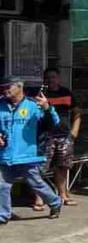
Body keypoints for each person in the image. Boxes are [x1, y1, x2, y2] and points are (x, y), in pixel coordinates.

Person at [0, 77, 62, 223]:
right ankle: (3, 215)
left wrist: (47, 108)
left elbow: (54, 124)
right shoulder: (0, 105)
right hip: (5, 155)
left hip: (28, 155)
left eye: (8, 87)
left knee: (36, 183)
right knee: (2, 185)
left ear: (19, 87)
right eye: (3, 87)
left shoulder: (33, 105)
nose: (5, 90)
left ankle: (55, 202)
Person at [32, 67, 81, 210]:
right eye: (48, 77)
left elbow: (77, 112)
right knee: (40, 168)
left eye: (54, 77)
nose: (51, 80)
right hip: (45, 136)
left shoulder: (67, 93)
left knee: (63, 166)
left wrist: (74, 131)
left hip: (64, 135)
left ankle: (63, 195)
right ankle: (39, 198)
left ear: (58, 78)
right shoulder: (41, 94)